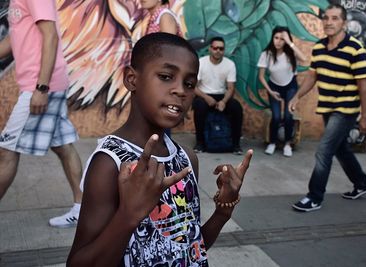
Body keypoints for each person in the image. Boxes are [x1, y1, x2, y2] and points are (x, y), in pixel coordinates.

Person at [67, 32, 253, 266]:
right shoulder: (110, 163)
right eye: (166, 77)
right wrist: (128, 215)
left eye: (189, 84)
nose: (181, 91)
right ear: (132, 79)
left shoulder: (186, 160)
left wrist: (223, 210)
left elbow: (190, 247)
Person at [0, 0, 83, 227]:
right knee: (63, 145)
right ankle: (82, 207)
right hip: (40, 84)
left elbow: (50, 35)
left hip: (40, 85)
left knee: (6, 152)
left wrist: (41, 88)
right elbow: (15, 38)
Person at [289, 4, 366, 212]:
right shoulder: (318, 48)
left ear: (344, 22)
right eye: (326, 18)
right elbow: (312, 77)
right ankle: (362, 183)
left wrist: (365, 118)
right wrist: (297, 96)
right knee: (341, 149)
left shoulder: (355, 49)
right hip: (327, 107)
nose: (329, 22)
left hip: (345, 110)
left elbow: (364, 87)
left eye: (335, 18)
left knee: (324, 150)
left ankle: (314, 196)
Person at [258, 26, 307, 157]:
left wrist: (290, 42)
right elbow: (261, 76)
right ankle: (272, 143)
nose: (278, 41)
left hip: (291, 86)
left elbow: (304, 59)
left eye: (282, 39)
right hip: (273, 88)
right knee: (276, 117)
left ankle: (287, 144)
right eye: (276, 38)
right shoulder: (266, 54)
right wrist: (271, 91)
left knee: (288, 116)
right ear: (272, 38)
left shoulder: (291, 53)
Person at [192, 36, 243, 155]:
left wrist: (224, 101)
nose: (218, 51)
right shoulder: (201, 62)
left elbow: (230, 88)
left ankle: (236, 145)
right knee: (199, 106)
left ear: (224, 50)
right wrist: (206, 97)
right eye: (215, 48)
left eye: (221, 48)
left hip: (221, 95)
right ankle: (200, 143)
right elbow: (193, 86)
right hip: (204, 94)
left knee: (236, 107)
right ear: (210, 49)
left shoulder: (229, 64)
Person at [141, 0, 182, 138]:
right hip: (156, 78)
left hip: (164, 81)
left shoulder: (165, 16)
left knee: (160, 123)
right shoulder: (154, 18)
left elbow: (169, 53)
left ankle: (162, 157)